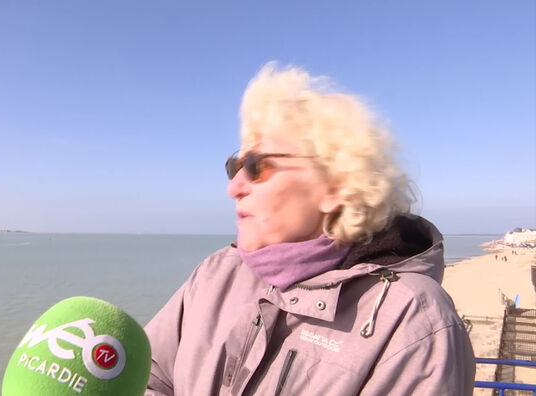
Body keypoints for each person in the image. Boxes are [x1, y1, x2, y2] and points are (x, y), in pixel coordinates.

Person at [144, 64, 475, 395]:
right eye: (235, 166)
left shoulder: (411, 320)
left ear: (336, 185)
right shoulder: (217, 273)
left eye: (258, 166)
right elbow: (150, 373)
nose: (235, 187)